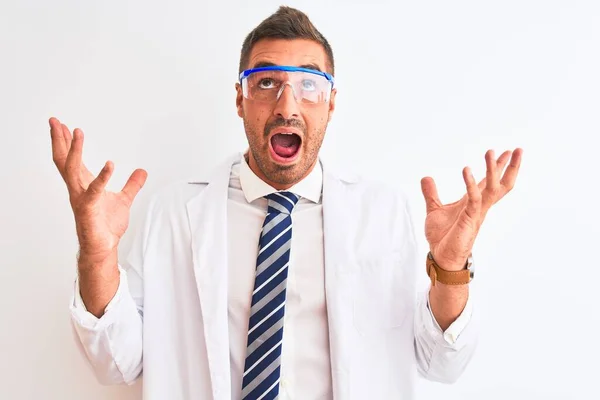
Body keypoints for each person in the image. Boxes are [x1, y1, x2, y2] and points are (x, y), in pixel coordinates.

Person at [50, 6, 522, 400]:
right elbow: (116, 363)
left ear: (332, 103)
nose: (287, 106)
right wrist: (97, 254)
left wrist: (452, 266)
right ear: (240, 99)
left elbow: (441, 362)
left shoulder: (382, 213)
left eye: (309, 85)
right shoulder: (175, 212)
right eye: (266, 83)